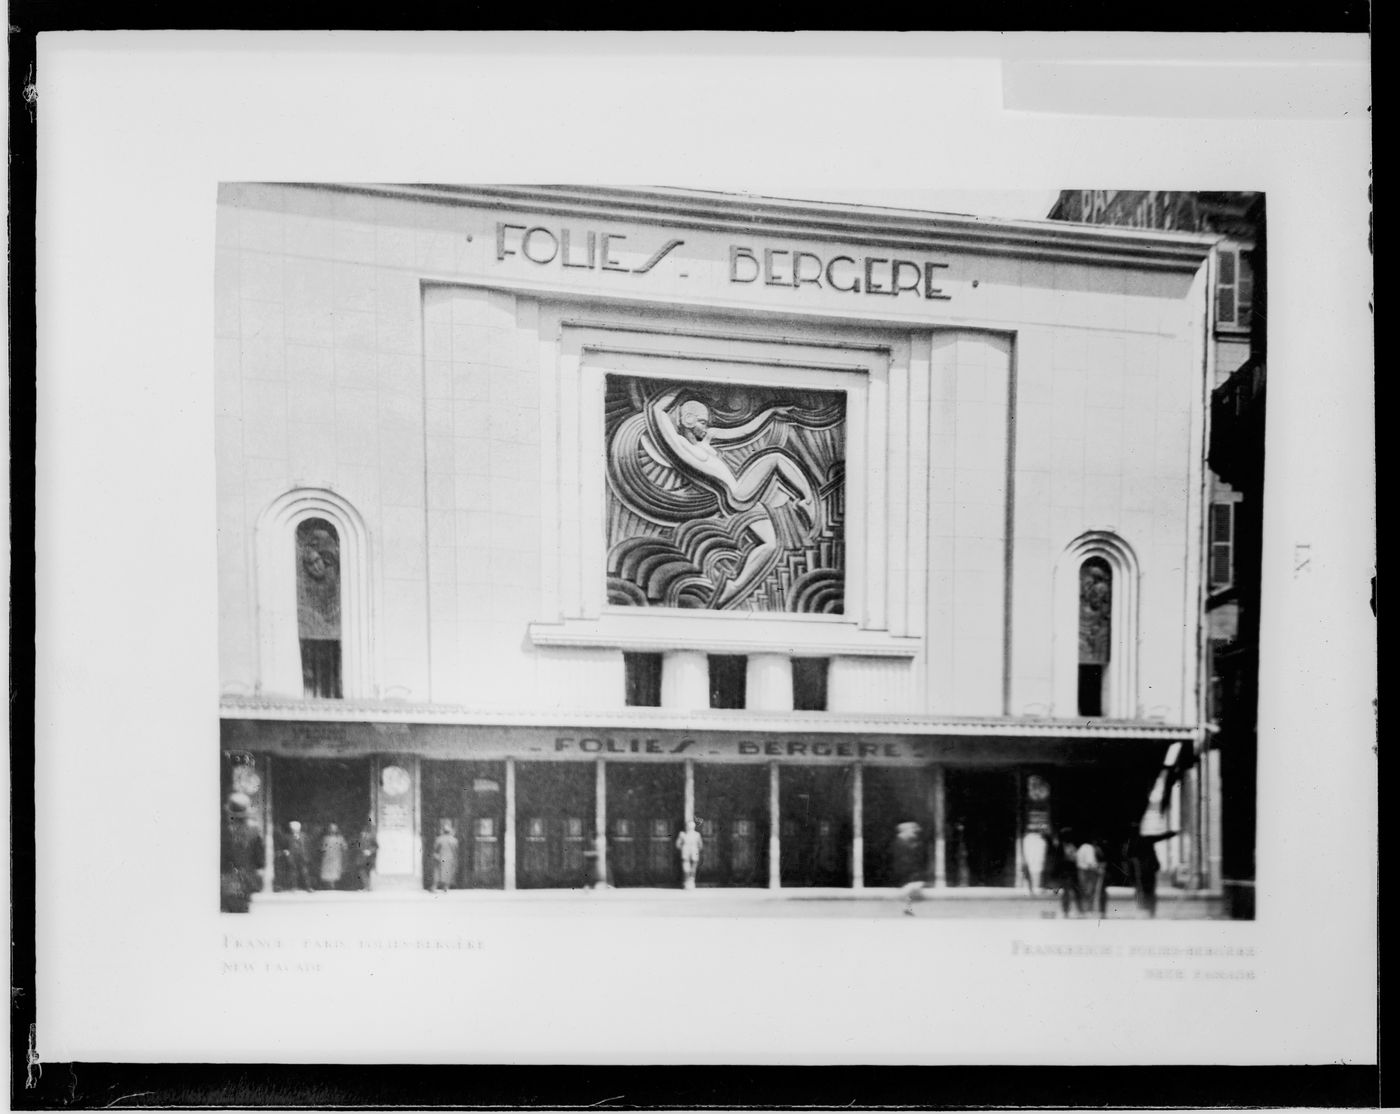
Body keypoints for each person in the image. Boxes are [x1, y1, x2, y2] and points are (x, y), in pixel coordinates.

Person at [649, 387, 821, 608]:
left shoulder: (704, 444)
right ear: (689, 420)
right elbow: (657, 412)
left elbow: (743, 431)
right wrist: (679, 388)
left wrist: (771, 412)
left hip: (741, 500)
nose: (707, 426)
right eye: (702, 421)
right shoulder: (681, 448)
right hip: (735, 495)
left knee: (770, 544)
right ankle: (807, 499)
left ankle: (733, 588)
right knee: (775, 457)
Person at [220, 792, 265, 914]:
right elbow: (260, 859)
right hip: (247, 880)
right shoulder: (255, 830)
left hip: (226, 880)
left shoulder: (223, 831)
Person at [1127, 828, 1179, 917]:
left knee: (1141, 890)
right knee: (1150, 890)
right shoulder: (1146, 839)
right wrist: (1174, 833)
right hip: (1149, 869)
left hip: (1140, 870)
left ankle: (1142, 909)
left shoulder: (1131, 843)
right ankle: (1150, 910)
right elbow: (1161, 837)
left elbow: (1129, 858)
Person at [892, 821, 926, 916]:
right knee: (913, 887)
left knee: (912, 889)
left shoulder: (909, 841)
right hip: (905, 870)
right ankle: (906, 907)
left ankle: (907, 908)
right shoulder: (901, 842)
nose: (914, 832)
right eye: (912, 830)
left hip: (909, 870)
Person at [1049, 828, 1082, 918]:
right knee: (1069, 891)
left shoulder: (1067, 846)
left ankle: (1075, 910)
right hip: (1066, 872)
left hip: (1069, 871)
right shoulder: (1062, 847)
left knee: (1073, 891)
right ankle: (1067, 910)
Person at [1075, 836, 1106, 917]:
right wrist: (1099, 870)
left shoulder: (1081, 847)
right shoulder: (1089, 848)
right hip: (1088, 872)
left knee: (1084, 891)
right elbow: (1090, 863)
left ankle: (1083, 910)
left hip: (1080, 870)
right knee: (1090, 891)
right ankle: (1089, 910)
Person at [675, 819, 704, 890]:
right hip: (688, 852)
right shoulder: (683, 834)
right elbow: (678, 844)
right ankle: (688, 882)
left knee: (692, 867)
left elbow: (700, 845)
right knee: (687, 867)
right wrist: (683, 848)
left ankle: (690, 881)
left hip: (692, 852)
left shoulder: (696, 835)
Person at [432, 819, 459, 893]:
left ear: (443, 831)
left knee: (438, 873)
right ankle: (446, 887)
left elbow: (435, 849)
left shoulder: (439, 839)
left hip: (441, 858)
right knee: (448, 873)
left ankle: (434, 887)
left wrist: (435, 855)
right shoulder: (454, 840)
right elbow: (456, 850)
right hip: (450, 858)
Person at [285, 820, 312, 891]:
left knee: (305, 872)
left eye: (295, 828)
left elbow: (308, 846)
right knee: (293, 872)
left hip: (302, 856)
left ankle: (308, 887)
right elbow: (286, 847)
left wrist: (307, 855)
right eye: (293, 828)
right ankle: (294, 887)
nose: (294, 830)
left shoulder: (304, 836)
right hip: (293, 856)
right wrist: (287, 854)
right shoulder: (288, 837)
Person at [319, 822, 348, 890]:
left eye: (334, 829)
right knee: (328, 871)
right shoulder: (325, 838)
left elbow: (344, 847)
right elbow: (322, 848)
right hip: (327, 857)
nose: (332, 830)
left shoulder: (340, 838)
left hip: (336, 857)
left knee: (335, 870)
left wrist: (343, 853)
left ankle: (334, 885)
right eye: (331, 829)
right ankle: (329, 885)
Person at [1021, 829, 1048, 896]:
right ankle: (1032, 889)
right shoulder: (1038, 840)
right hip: (1033, 861)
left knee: (1032, 875)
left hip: (1032, 861)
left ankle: (1032, 889)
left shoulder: (1028, 839)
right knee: (1031, 875)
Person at [354, 819, 378, 891]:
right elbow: (358, 845)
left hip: (368, 857)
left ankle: (368, 887)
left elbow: (376, 846)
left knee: (366, 872)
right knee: (361, 871)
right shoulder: (360, 836)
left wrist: (369, 851)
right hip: (361, 857)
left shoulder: (371, 836)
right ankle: (366, 886)